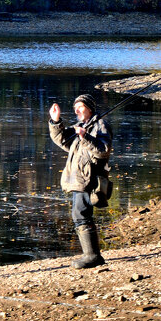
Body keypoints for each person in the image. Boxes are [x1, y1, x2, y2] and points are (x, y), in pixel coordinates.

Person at [48, 94, 111, 268]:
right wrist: (55, 121)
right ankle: (91, 255)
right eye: (75, 108)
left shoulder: (101, 125)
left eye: (80, 107)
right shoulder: (81, 126)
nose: (76, 110)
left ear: (89, 108)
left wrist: (85, 137)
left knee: (81, 214)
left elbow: (103, 150)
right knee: (79, 214)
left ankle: (92, 256)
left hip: (90, 178)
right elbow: (62, 140)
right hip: (79, 179)